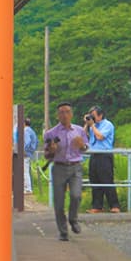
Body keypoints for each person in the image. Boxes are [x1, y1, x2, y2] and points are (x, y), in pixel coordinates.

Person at [43, 102, 88, 241]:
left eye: (67, 112)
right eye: (61, 112)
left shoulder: (79, 130)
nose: (65, 115)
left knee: (76, 195)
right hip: (59, 167)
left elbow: (85, 148)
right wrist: (51, 150)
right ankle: (63, 231)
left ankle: (73, 219)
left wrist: (82, 145)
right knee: (59, 202)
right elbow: (46, 154)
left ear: (72, 114)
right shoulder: (51, 133)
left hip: (75, 166)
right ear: (58, 115)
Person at [84, 105, 120, 212]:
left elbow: (100, 137)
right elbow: (82, 135)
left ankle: (114, 205)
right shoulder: (92, 126)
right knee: (94, 180)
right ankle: (97, 206)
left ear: (100, 115)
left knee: (107, 180)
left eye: (94, 116)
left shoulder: (107, 125)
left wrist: (93, 126)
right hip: (94, 154)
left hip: (104, 155)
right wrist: (87, 124)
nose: (92, 118)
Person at [22, 119, 38, 194]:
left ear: (24, 123)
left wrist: (23, 149)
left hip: (25, 153)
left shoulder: (26, 130)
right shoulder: (32, 130)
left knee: (25, 171)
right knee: (26, 170)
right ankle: (27, 187)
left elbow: (27, 141)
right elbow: (36, 141)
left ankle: (28, 189)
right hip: (30, 152)